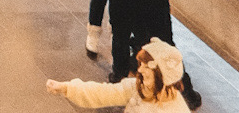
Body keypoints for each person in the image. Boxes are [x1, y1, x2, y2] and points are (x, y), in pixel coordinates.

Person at [47, 38, 187, 105]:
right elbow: (103, 93)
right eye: (140, 64)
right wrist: (66, 88)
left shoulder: (175, 109)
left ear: (162, 74)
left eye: (146, 66)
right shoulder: (138, 88)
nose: (139, 69)